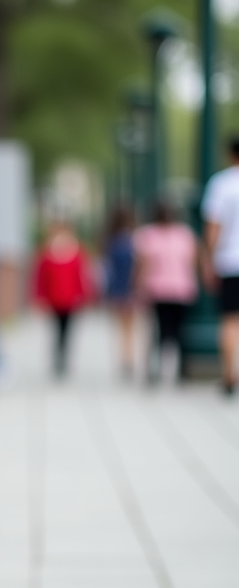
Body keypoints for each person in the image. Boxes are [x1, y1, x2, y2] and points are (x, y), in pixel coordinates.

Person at [134, 201, 199, 385]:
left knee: (159, 331)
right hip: (181, 288)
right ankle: (181, 370)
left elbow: (143, 264)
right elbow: (192, 261)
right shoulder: (184, 234)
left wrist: (138, 284)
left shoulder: (148, 235)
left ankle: (156, 369)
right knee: (179, 331)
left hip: (157, 289)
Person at [201, 138, 239, 397]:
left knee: (229, 321)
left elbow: (214, 226)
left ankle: (229, 377)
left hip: (230, 261)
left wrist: (208, 260)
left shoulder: (222, 184)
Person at [33, 223, 91, 377]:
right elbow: (41, 278)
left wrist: (84, 296)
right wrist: (40, 297)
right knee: (56, 330)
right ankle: (57, 359)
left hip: (71, 301)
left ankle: (64, 359)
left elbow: (81, 277)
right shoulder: (47, 253)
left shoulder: (76, 252)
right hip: (53, 300)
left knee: (67, 331)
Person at [103, 206, 138, 378]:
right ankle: (129, 359)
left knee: (121, 328)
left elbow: (107, 270)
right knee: (131, 328)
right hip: (131, 289)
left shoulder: (112, 242)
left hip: (117, 289)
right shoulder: (133, 241)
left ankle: (124, 360)